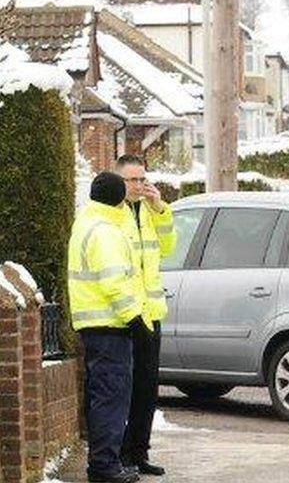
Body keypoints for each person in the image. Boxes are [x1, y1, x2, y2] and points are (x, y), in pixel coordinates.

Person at [68, 172, 147, 483]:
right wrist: (135, 319)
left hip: (94, 324)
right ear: (118, 198)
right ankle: (104, 467)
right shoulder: (107, 231)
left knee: (102, 395)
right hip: (110, 326)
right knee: (111, 397)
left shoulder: (87, 223)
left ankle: (103, 462)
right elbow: (114, 282)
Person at [115, 155, 176, 477]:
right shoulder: (114, 212)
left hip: (151, 314)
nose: (139, 185)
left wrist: (160, 208)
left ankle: (140, 452)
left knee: (147, 389)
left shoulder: (150, 212)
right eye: (132, 180)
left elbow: (167, 247)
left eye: (142, 179)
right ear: (119, 180)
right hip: (125, 316)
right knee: (125, 389)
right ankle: (121, 454)